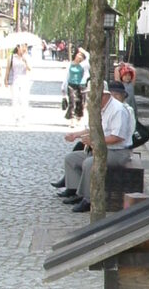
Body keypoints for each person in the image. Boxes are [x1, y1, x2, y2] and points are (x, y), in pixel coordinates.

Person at [54, 80, 133, 213]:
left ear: (103, 95)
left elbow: (117, 137)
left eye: (92, 94)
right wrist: (76, 135)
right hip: (103, 149)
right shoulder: (100, 109)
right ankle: (74, 191)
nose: (90, 98)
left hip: (118, 152)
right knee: (71, 158)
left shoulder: (118, 110)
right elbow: (93, 129)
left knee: (89, 163)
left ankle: (89, 199)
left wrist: (95, 141)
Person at [4, 43, 32, 125]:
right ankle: (17, 117)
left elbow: (30, 69)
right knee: (15, 99)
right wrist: (5, 79)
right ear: (17, 47)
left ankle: (23, 116)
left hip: (24, 80)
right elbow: (8, 69)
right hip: (14, 81)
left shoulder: (27, 57)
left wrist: (25, 61)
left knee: (23, 99)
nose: (24, 48)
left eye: (25, 46)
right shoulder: (12, 57)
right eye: (22, 46)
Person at [61, 47, 90, 124]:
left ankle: (78, 117)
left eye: (81, 56)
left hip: (81, 85)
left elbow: (88, 56)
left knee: (80, 102)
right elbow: (66, 76)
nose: (79, 56)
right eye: (78, 54)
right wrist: (63, 87)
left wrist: (83, 50)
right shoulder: (70, 64)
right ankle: (72, 120)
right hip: (71, 84)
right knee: (72, 101)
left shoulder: (84, 64)